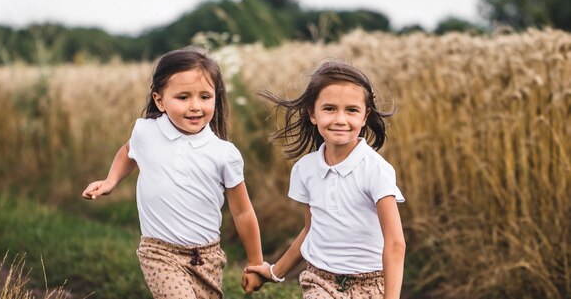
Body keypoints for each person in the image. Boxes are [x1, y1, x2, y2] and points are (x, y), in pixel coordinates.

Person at [82, 47, 264, 298]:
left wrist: (256, 263)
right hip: (159, 252)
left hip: (207, 257)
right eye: (183, 97)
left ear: (216, 97)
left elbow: (242, 211)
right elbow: (128, 151)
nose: (195, 106)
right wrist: (110, 181)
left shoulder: (224, 153)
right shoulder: (146, 132)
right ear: (160, 100)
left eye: (204, 96)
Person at [245, 61, 406, 299]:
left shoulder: (376, 170)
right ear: (312, 113)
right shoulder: (306, 169)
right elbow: (312, 229)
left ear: (365, 116)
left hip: (372, 284)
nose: (340, 119)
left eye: (351, 110)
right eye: (329, 109)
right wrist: (274, 272)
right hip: (321, 281)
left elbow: (395, 243)